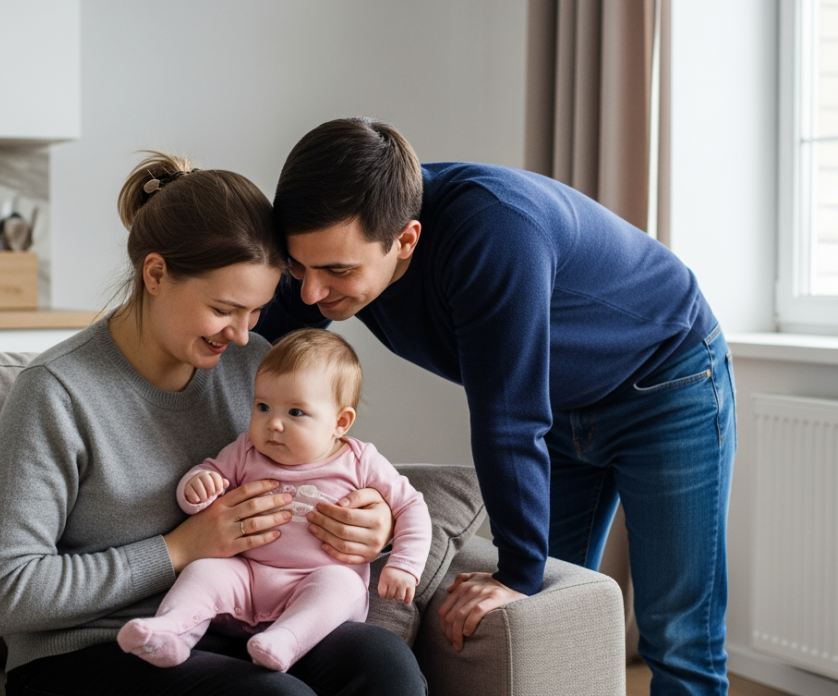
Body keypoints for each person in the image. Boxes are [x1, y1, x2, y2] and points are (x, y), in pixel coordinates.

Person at [255, 118, 736, 696]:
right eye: (297, 267)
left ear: (405, 239)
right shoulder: (331, 261)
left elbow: (509, 418)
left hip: (667, 382)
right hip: (557, 401)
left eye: (337, 271)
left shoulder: (492, 233)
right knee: (550, 623)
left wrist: (516, 572)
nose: (310, 293)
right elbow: (254, 344)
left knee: (680, 637)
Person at [0, 152, 427, 696]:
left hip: (237, 624)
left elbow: (333, 468)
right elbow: (1, 594)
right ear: (156, 273)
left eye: (255, 312)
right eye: (225, 308)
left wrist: (375, 528)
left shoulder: (253, 366)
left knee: (383, 660)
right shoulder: (57, 393)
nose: (240, 334)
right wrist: (181, 549)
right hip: (88, 651)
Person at [118, 328, 431, 673]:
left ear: (340, 422)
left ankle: (286, 641)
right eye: (263, 407)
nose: (273, 424)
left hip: (315, 581)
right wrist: (197, 487)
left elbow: (411, 507)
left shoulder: (360, 461)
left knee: (340, 584)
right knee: (204, 571)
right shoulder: (244, 451)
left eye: (295, 413)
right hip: (247, 576)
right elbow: (208, 475)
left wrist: (404, 565)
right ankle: (170, 633)